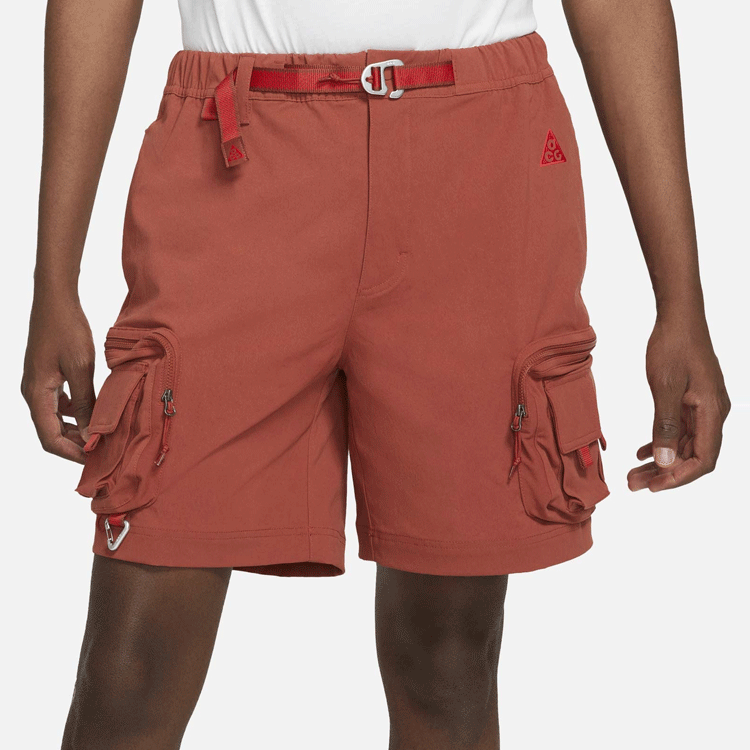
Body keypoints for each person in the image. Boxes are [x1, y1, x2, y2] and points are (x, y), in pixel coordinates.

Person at [22, 0, 731, 748]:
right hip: (233, 160)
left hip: (480, 167)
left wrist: (680, 301)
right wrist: (53, 280)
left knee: (448, 659)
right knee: (133, 663)